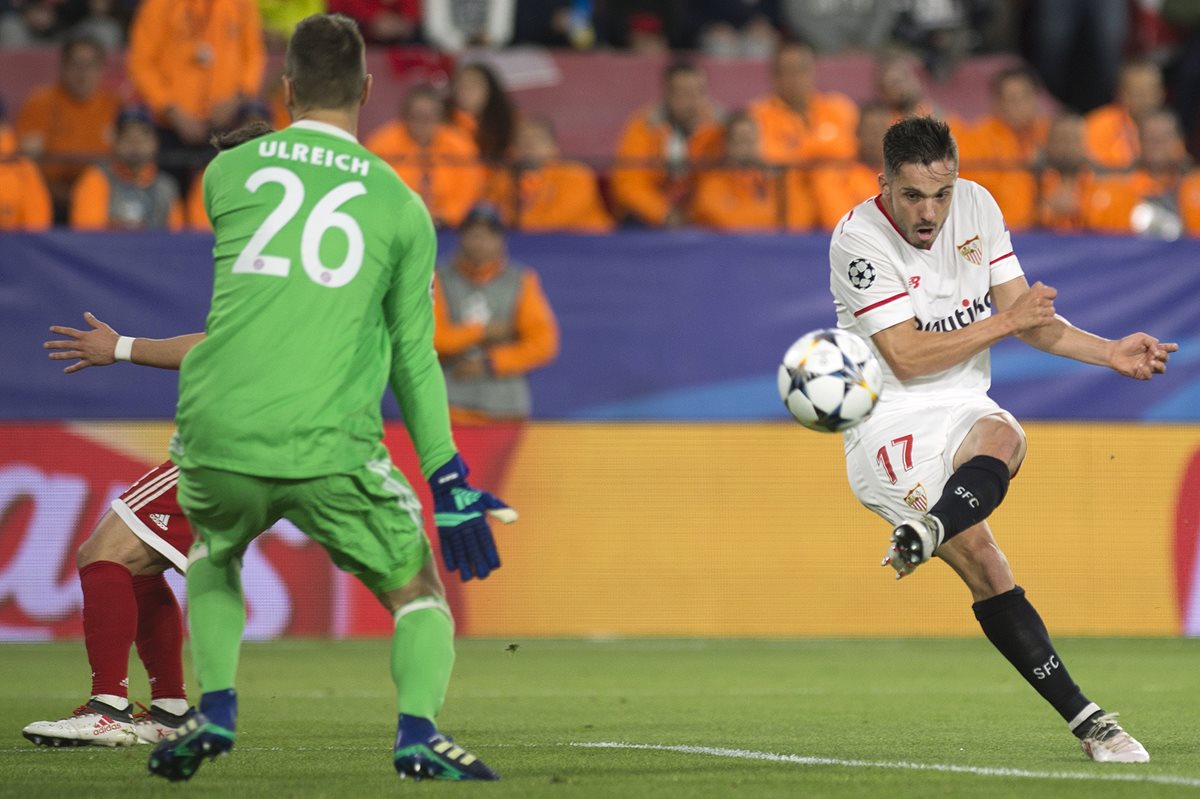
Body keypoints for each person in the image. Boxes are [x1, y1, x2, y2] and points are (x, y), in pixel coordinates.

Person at [145, 13, 515, 782]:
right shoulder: (402, 206)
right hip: (325, 438)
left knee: (216, 550)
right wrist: (445, 473)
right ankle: (417, 730)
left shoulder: (225, 174)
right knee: (416, 589)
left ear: (285, 88)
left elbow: (260, 192)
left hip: (216, 427)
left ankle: (215, 704)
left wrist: (253, 144)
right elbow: (415, 356)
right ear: (368, 89)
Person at [827, 115, 1174, 763]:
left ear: (956, 179)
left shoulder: (979, 206)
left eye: (942, 193)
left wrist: (1109, 351)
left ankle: (929, 530)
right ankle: (1087, 719)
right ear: (884, 184)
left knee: (1005, 434)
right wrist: (1006, 321)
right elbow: (903, 355)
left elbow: (1031, 322)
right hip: (886, 418)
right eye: (912, 196)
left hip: (959, 399)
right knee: (988, 563)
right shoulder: (856, 240)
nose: (930, 211)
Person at [24, 122, 278, 750]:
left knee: (102, 554)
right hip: (282, 439)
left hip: (241, 439)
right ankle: (168, 710)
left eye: (226, 166)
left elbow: (222, 347)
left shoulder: (268, 246)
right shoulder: (300, 243)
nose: (215, 181)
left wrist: (123, 348)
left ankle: (109, 706)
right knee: (141, 566)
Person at [434, 204, 560, 423]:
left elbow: (543, 343)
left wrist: (491, 363)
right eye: (473, 234)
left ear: (502, 240)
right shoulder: (439, 277)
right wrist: (484, 331)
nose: (480, 242)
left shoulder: (520, 280)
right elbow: (433, 339)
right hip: (451, 405)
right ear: (460, 237)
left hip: (506, 408)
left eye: (488, 235)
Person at [126, 0, 266, 191]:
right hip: (170, 126)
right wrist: (172, 111)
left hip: (225, 124)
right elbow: (141, 63)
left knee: (224, 197)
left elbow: (254, 54)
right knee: (169, 197)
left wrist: (237, 98)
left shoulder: (241, 4)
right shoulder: (158, 5)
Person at [15, 34, 121, 220]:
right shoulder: (39, 103)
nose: (83, 73)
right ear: (63, 67)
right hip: (49, 196)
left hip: (102, 198)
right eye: (75, 65)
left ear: (102, 69)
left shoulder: (115, 106)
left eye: (90, 66)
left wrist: (89, 194)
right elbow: (27, 162)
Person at [610, 61, 723, 228]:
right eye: (684, 93)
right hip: (650, 218)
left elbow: (725, 181)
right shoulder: (644, 126)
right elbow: (628, 183)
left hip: (704, 215)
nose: (693, 101)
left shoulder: (721, 127)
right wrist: (664, 213)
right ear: (667, 95)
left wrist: (698, 213)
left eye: (699, 92)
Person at [365, 84, 486, 228]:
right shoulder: (381, 144)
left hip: (450, 228)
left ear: (440, 118)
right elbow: (373, 190)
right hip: (395, 225)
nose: (423, 124)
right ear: (405, 117)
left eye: (429, 117)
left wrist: (444, 217)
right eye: (416, 117)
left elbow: (469, 193)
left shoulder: (461, 146)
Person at [957, 66, 1050, 230]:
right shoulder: (976, 139)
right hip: (998, 234)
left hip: (1047, 232)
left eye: (1025, 97)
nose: (1019, 106)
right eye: (1012, 99)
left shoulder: (1049, 135)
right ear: (997, 103)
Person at [689, 111, 816, 231]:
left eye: (751, 140)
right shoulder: (712, 181)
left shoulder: (776, 179)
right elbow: (719, 219)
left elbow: (800, 219)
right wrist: (768, 217)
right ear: (726, 145)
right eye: (740, 141)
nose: (747, 148)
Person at [485, 116, 612, 232]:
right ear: (512, 149)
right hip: (524, 247)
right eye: (522, 140)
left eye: (537, 139)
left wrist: (520, 221)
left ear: (553, 148)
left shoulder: (575, 175)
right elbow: (488, 216)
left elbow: (560, 219)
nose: (529, 145)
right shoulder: (502, 179)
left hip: (587, 247)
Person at [69, 105, 185, 231]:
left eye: (142, 137)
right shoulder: (97, 178)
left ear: (155, 142)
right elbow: (86, 236)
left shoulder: (166, 187)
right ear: (115, 141)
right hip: (107, 250)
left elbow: (177, 239)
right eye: (127, 137)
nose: (135, 144)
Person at [811, 101, 891, 230]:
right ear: (856, 134)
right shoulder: (834, 176)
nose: (875, 138)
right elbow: (840, 223)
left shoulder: (901, 177)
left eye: (881, 131)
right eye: (869, 131)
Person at [1084, 59, 1166, 170]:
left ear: (1161, 94)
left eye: (1149, 92)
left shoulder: (1166, 127)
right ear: (1120, 94)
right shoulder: (1097, 124)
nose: (1144, 99)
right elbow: (1090, 167)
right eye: (1137, 93)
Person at [444, 62, 518, 167]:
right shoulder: (442, 124)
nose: (465, 89)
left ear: (490, 90)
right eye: (460, 83)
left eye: (474, 84)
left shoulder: (511, 123)